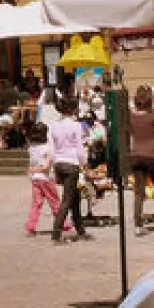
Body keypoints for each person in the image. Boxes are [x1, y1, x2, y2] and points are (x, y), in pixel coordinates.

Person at [127, 85, 154, 236]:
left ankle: (138, 224)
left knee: (139, 192)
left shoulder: (130, 116)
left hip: (135, 155)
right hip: (151, 154)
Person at [49, 96, 90, 243]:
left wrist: (54, 166)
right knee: (67, 200)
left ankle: (80, 229)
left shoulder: (54, 125)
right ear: (73, 109)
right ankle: (56, 233)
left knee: (75, 197)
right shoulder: (75, 125)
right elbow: (79, 148)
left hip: (59, 163)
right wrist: (85, 163)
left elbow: (52, 148)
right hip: (71, 163)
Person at [24, 122, 68, 236]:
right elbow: (46, 167)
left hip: (35, 179)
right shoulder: (48, 148)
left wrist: (32, 170)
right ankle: (63, 224)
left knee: (36, 203)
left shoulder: (31, 148)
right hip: (46, 178)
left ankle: (30, 226)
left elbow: (32, 164)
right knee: (55, 201)